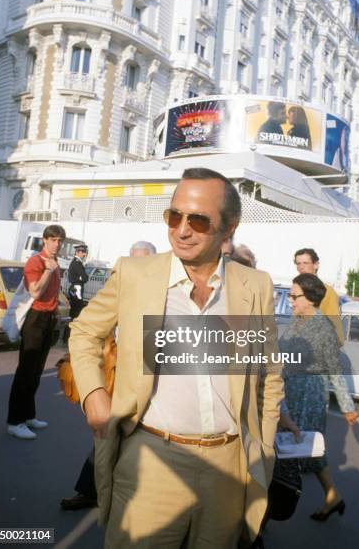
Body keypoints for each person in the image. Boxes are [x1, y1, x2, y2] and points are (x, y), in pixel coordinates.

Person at [69, 168, 283, 548]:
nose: (182, 229)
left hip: (229, 468)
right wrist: (94, 396)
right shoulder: (136, 273)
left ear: (229, 227)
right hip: (151, 459)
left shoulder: (256, 284)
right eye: (174, 216)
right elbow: (85, 332)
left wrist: (263, 448)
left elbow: (268, 373)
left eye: (198, 220)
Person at [61, 241, 157, 511]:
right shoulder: (121, 285)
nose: (135, 266)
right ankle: (90, 491)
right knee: (105, 436)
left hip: (148, 384)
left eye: (141, 261)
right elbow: (87, 329)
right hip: (117, 375)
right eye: (131, 259)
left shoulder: (161, 293)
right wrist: (93, 389)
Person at [279, 273, 358, 520]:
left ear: (311, 298)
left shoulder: (323, 327)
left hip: (308, 398)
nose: (289, 300)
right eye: (290, 295)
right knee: (308, 451)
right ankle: (333, 497)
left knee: (295, 450)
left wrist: (347, 406)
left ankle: (270, 511)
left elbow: (334, 368)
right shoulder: (296, 321)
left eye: (294, 295)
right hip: (289, 393)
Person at [7, 224, 66, 440]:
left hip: (49, 319)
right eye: (53, 240)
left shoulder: (55, 263)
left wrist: (57, 313)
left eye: (60, 240)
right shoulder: (36, 262)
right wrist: (48, 270)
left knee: (37, 371)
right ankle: (14, 422)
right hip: (35, 319)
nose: (57, 244)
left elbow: (52, 295)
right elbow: (35, 291)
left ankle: (28, 415)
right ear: (44, 240)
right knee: (25, 371)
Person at [294, 248, 344, 346]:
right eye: (298, 264)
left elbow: (336, 329)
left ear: (316, 265)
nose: (301, 267)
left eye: (305, 263)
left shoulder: (327, 291)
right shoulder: (297, 290)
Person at [67, 244, 89, 320]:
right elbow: (85, 278)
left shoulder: (77, 262)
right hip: (77, 288)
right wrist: (81, 278)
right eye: (83, 252)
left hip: (76, 287)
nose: (85, 254)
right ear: (77, 252)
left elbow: (84, 278)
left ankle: (70, 328)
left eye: (85, 252)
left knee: (75, 308)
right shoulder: (77, 263)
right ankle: (71, 329)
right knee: (76, 310)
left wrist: (81, 278)